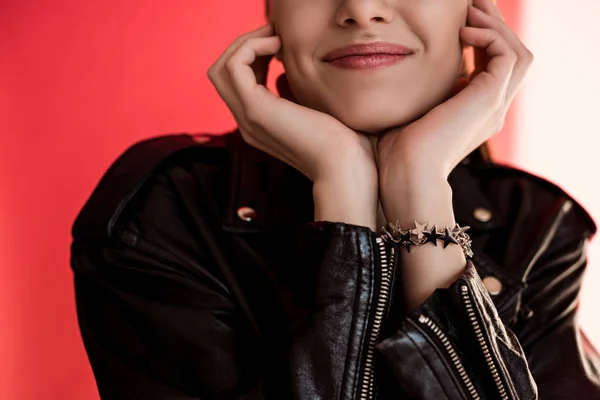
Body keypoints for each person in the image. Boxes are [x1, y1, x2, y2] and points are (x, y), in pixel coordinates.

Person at [70, 0, 600, 398]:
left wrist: (419, 186)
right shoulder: (167, 210)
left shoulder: (537, 225)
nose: (361, 10)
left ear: (474, 12)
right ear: (272, 13)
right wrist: (343, 192)